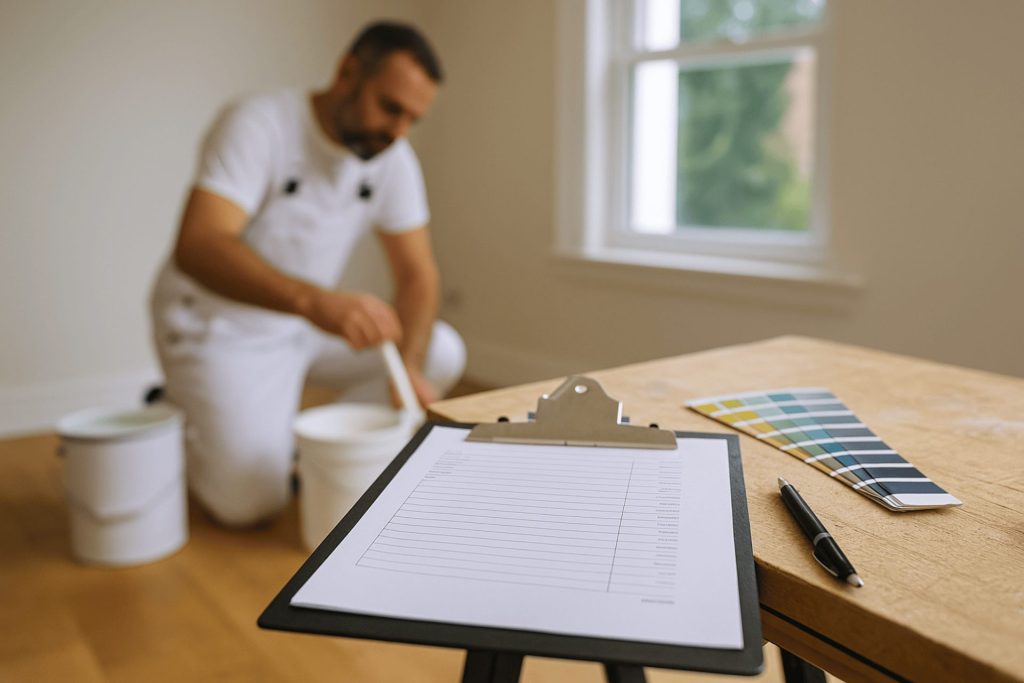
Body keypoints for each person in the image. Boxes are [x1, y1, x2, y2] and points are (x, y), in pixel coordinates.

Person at [149, 22, 465, 527]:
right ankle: (176, 410)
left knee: (441, 350)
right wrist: (316, 303)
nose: (398, 131)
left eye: (412, 119)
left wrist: (406, 367)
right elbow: (199, 245)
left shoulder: (392, 159)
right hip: (217, 330)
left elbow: (418, 275)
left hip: (306, 327)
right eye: (390, 107)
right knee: (249, 505)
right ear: (347, 72)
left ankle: (307, 452)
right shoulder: (259, 123)